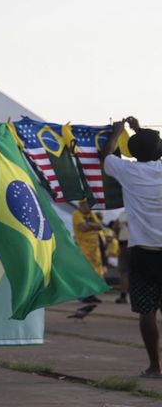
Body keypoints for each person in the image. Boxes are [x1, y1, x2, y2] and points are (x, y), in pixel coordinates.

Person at [100, 117, 162, 378]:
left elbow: (106, 154)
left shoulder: (127, 171)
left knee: (147, 311)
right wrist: (139, 131)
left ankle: (154, 367)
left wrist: (118, 132)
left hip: (142, 252)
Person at [72, 198, 105, 302]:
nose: (88, 207)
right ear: (81, 204)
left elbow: (100, 226)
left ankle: (91, 294)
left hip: (94, 250)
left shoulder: (91, 214)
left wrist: (90, 225)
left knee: (95, 272)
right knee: (85, 271)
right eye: (86, 204)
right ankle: (84, 295)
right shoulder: (76, 214)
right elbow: (82, 228)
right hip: (83, 248)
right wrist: (92, 226)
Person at [116, 212, 131, 303]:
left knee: (124, 271)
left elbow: (115, 228)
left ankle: (124, 294)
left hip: (127, 244)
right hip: (130, 244)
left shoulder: (124, 214)